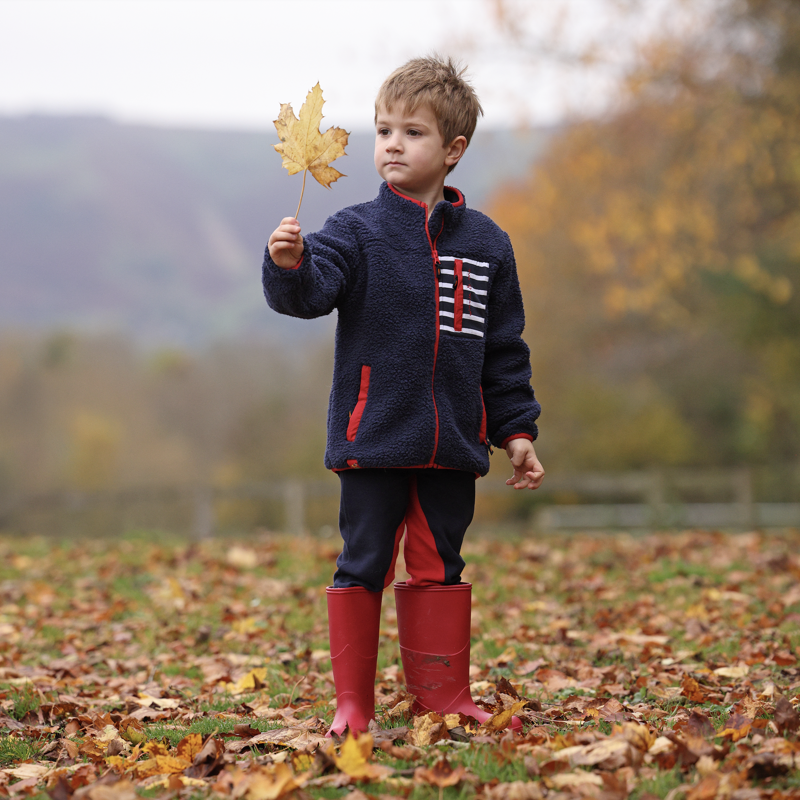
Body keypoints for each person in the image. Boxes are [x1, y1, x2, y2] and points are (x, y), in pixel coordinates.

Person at [263, 55, 544, 737]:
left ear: (453, 151)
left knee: (440, 565)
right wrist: (288, 266)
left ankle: (441, 697)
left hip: (452, 443)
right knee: (362, 561)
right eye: (384, 129)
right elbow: (312, 292)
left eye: (412, 132)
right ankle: (352, 706)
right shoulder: (354, 231)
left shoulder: (487, 246)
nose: (392, 143)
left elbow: (502, 350)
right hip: (373, 438)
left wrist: (515, 429)